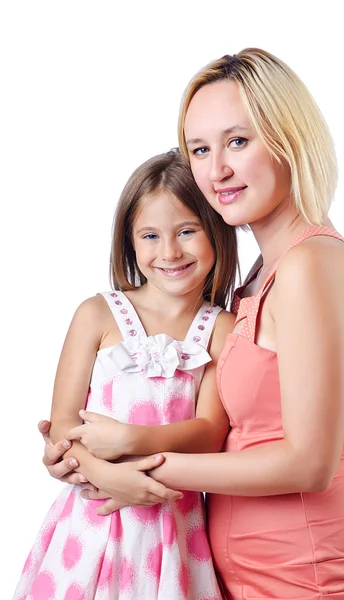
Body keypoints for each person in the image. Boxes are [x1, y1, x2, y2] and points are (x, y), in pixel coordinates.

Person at [39, 48, 344, 599]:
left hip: (316, 577)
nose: (216, 171)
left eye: (237, 141)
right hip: (236, 576)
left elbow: (307, 464)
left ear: (288, 138)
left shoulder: (310, 266)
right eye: (200, 149)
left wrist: (137, 468)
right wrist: (84, 458)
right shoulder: (258, 277)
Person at [14, 150, 238, 600]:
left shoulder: (221, 328)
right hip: (91, 520)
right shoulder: (98, 313)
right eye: (150, 235)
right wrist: (107, 474)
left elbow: (210, 433)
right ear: (130, 242)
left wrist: (130, 440)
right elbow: (63, 423)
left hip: (173, 526)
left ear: (215, 230)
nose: (170, 251)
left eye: (187, 231)